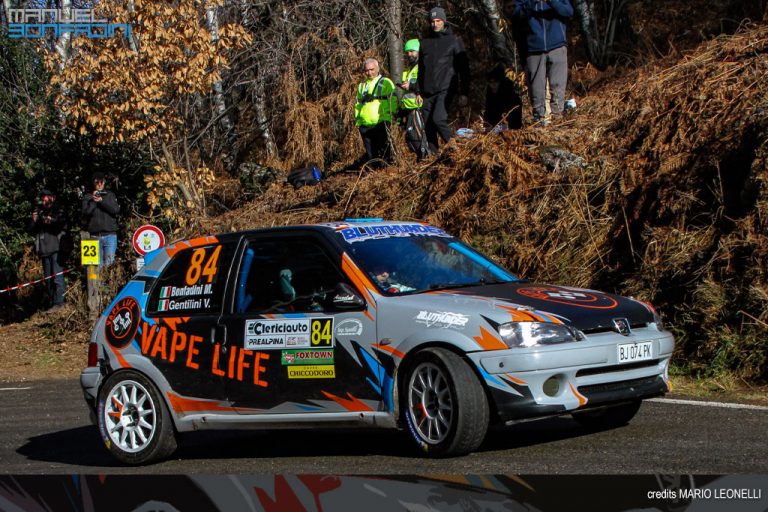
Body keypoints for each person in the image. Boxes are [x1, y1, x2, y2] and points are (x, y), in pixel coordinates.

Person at [417, 6, 470, 154]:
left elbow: (464, 69)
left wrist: (464, 92)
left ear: (444, 21)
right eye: (432, 21)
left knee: (438, 119)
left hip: (445, 89)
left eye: (438, 20)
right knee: (427, 127)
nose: (435, 24)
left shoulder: (454, 41)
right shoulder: (425, 43)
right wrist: (418, 91)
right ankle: (434, 158)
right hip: (427, 92)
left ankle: (458, 150)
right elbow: (421, 69)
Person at [512, 0, 574, 124]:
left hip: (557, 45)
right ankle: (539, 122)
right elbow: (516, 14)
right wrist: (531, 3)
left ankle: (558, 120)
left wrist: (552, 1)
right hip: (534, 48)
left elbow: (568, 11)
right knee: (537, 89)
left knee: (558, 87)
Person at [354, 58, 397, 168]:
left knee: (384, 152)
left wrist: (390, 117)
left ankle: (387, 172)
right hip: (365, 125)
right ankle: (375, 173)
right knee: (371, 155)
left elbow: (392, 100)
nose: (369, 73)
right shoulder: (362, 86)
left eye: (372, 69)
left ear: (378, 68)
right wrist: (358, 121)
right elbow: (358, 104)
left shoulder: (386, 82)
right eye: (367, 70)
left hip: (380, 122)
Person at [28, 189, 67, 310]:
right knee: (48, 280)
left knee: (57, 278)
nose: (45, 200)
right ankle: (52, 303)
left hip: (56, 248)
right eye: (43, 198)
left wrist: (51, 220)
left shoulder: (58, 211)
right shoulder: (39, 212)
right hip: (44, 250)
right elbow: (31, 230)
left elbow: (62, 224)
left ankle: (59, 303)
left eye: (47, 197)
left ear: (52, 198)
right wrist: (33, 220)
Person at [397, 39, 430, 160]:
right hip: (409, 109)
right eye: (407, 52)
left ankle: (426, 159)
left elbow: (425, 84)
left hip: (418, 108)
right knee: (411, 138)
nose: (409, 54)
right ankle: (421, 158)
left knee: (419, 137)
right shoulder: (410, 68)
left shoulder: (423, 66)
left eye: (412, 51)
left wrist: (410, 86)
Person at [81, 172, 120, 266]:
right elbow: (85, 213)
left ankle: (108, 281)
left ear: (104, 182)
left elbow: (115, 210)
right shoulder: (88, 197)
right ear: (93, 183)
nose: (99, 184)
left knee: (109, 265)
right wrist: (94, 202)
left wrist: (102, 201)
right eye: (97, 182)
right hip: (94, 236)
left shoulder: (110, 195)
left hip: (109, 235)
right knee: (96, 266)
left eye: (101, 182)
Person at [483, 65, 523, 130]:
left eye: (495, 82)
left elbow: (512, 113)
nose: (493, 85)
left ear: (500, 82)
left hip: (510, 125)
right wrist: (487, 124)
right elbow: (488, 110)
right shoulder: (489, 92)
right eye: (490, 82)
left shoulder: (509, 93)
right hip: (495, 125)